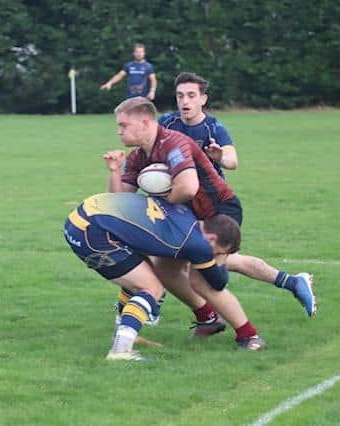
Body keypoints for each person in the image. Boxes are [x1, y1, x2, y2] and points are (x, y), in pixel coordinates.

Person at [143, 71, 317, 319]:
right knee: (168, 261)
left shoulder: (214, 128)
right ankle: (290, 284)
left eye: (192, 95)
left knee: (204, 269)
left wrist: (219, 157)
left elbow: (233, 161)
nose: (185, 101)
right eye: (180, 95)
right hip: (188, 206)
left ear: (203, 99)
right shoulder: (168, 123)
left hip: (217, 209)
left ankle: (239, 325)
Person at [103, 96, 266, 350]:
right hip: (186, 217)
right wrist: (114, 170)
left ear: (144, 123)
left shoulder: (173, 144)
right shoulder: (137, 157)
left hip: (216, 213)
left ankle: (249, 336)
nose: (119, 131)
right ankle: (207, 318)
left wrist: (162, 201)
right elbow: (120, 200)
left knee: (202, 279)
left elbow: (189, 188)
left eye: (124, 125)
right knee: (164, 270)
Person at [64, 191, 255, 361]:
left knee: (141, 273)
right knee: (151, 288)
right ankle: (120, 350)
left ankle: (123, 333)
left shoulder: (185, 213)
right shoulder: (198, 244)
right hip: (92, 232)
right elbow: (218, 282)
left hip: (84, 216)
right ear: (212, 239)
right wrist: (220, 261)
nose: (214, 255)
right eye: (218, 251)